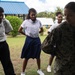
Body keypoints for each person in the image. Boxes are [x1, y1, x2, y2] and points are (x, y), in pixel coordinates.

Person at [42, 1, 75, 75]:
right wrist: (58, 52)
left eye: (70, 15)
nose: (66, 17)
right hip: (62, 68)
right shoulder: (60, 29)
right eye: (65, 15)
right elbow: (45, 46)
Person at [18, 8, 45, 75]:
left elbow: (42, 30)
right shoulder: (26, 22)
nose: (33, 16)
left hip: (36, 40)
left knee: (38, 56)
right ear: (29, 15)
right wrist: (26, 34)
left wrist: (37, 33)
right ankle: (23, 72)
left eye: (34, 15)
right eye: (32, 15)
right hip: (29, 40)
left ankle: (39, 70)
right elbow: (19, 30)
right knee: (26, 56)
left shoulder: (38, 22)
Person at [0, 7, 16, 75]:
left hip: (3, 45)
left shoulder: (5, 21)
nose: (0, 17)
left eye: (2, 15)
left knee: (7, 63)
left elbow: (8, 31)